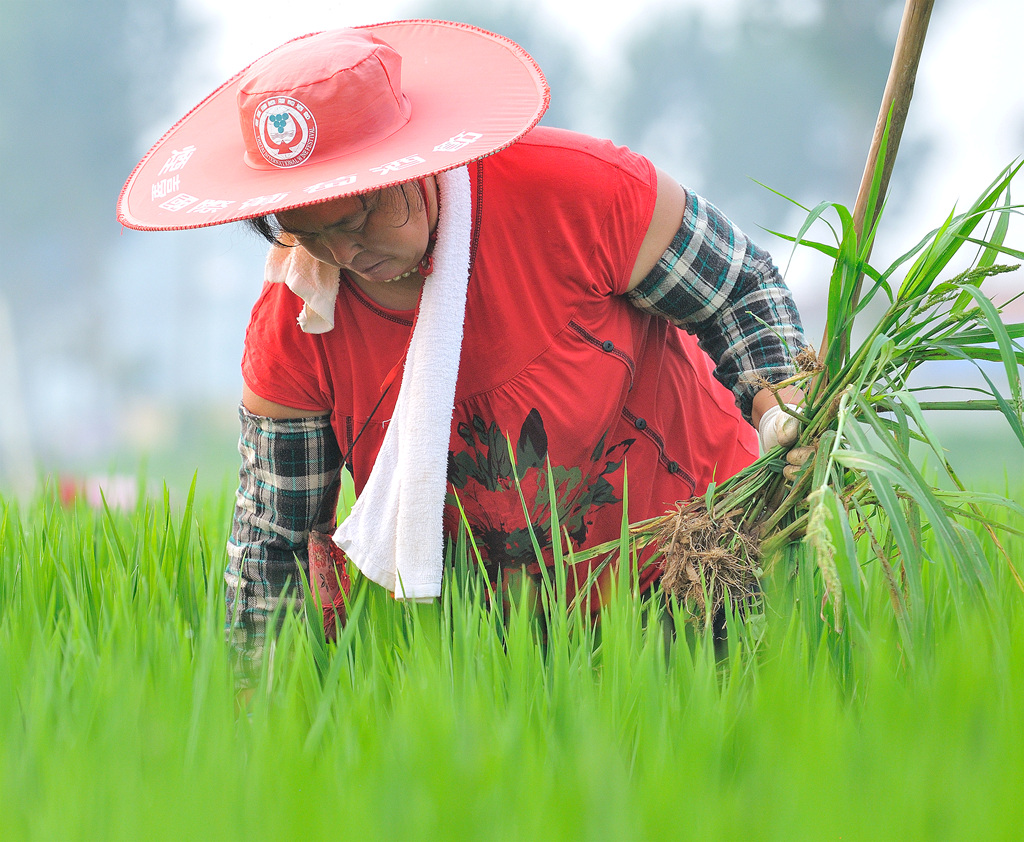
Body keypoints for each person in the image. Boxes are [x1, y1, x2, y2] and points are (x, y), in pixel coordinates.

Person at [117, 21, 806, 687]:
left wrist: (778, 392)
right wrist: (255, 705)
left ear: (415, 161)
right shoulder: (298, 324)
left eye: (360, 215)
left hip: (703, 562)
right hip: (505, 642)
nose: (345, 253)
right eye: (310, 232)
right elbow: (279, 543)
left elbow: (737, 289)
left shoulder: (576, 193)